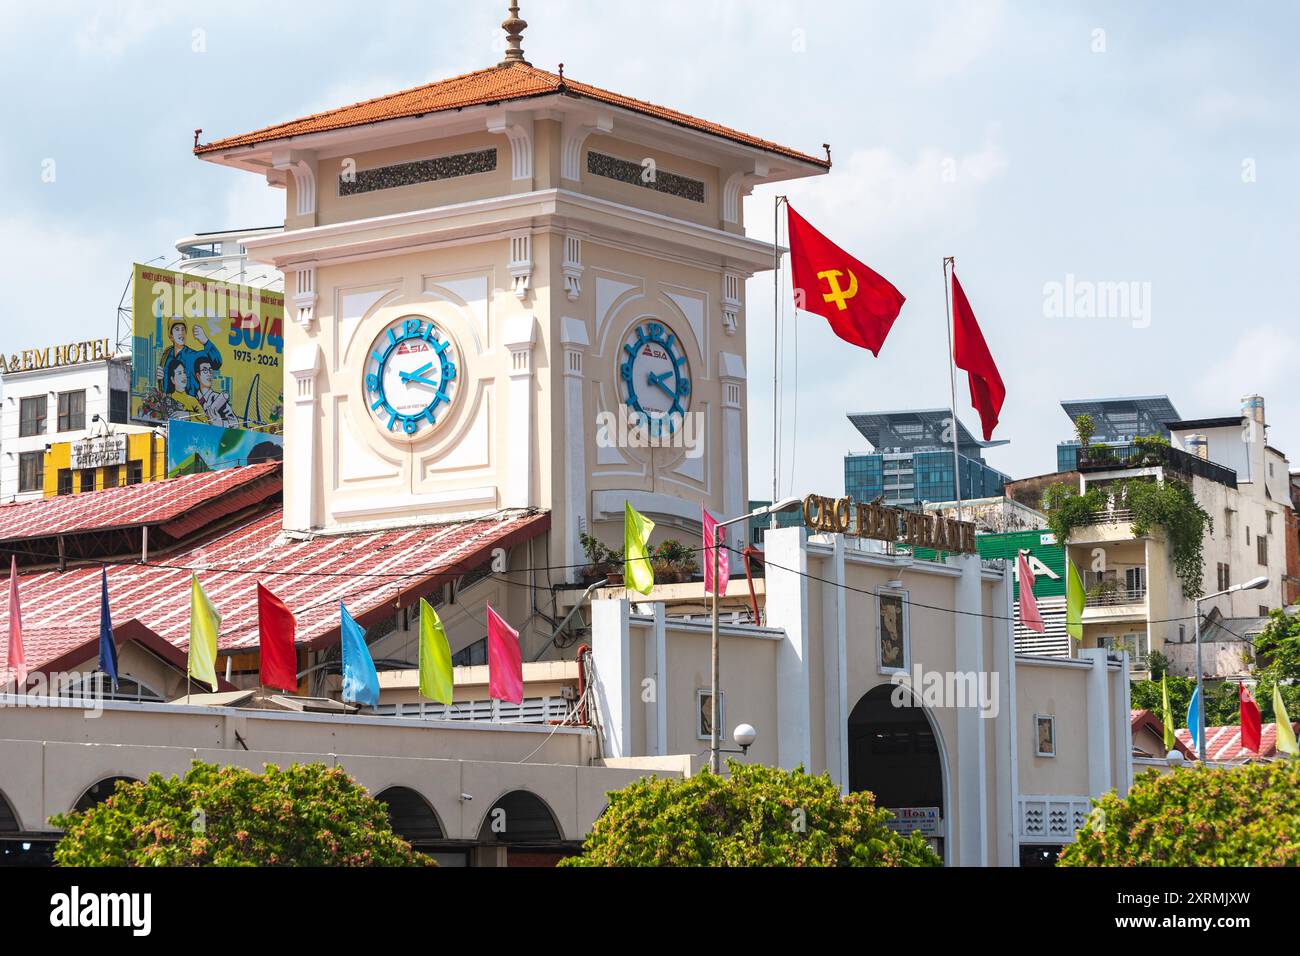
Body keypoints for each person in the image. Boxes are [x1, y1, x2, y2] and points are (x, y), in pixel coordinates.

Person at [156, 320, 222, 397]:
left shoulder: (193, 356)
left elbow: (217, 362)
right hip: (170, 404)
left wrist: (205, 341)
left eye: (183, 329)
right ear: (171, 336)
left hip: (191, 405)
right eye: (177, 329)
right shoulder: (166, 356)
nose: (181, 332)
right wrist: (159, 378)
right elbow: (165, 387)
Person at [194, 357, 238, 427]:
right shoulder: (193, 398)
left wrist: (219, 423)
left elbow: (235, 425)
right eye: (205, 370)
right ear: (198, 376)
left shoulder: (218, 399)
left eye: (210, 370)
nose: (209, 374)